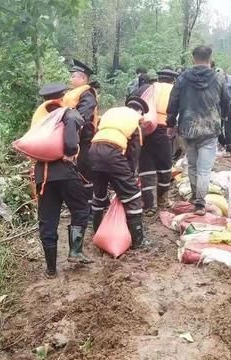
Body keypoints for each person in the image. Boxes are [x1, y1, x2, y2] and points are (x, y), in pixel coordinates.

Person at [31, 83, 92, 278]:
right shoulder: (66, 112)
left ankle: (50, 269)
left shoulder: (39, 118)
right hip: (64, 172)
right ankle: (75, 251)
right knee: (81, 208)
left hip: (43, 175)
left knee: (48, 221)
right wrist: (71, 151)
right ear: (62, 96)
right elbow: (73, 134)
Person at [166, 45, 230, 216]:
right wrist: (222, 118)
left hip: (187, 128)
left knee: (193, 165)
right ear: (210, 58)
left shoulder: (183, 78)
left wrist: (171, 124)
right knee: (204, 169)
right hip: (209, 128)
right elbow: (226, 101)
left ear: (193, 58)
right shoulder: (218, 78)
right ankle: (200, 204)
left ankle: (195, 197)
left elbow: (173, 102)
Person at [90, 96, 149, 248]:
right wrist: (129, 178)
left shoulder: (111, 113)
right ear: (140, 112)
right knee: (133, 196)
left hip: (94, 150)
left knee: (99, 193)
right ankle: (139, 241)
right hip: (112, 153)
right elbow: (133, 153)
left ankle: (96, 231)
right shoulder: (135, 122)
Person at [135, 68, 178, 215]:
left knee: (146, 165)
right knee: (164, 165)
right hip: (164, 129)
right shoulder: (175, 89)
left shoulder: (149, 89)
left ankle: (149, 205)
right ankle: (162, 199)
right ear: (173, 79)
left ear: (158, 78)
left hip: (145, 130)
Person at [63, 59, 99, 205]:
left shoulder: (87, 94)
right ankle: (84, 203)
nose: (71, 79)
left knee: (85, 171)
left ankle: (91, 206)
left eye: (74, 76)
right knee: (78, 171)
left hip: (85, 140)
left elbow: (82, 115)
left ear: (83, 78)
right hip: (74, 138)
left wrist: (73, 124)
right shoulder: (73, 94)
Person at [212, 61, 231, 156]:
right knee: (217, 128)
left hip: (230, 106)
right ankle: (223, 143)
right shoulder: (215, 81)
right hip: (218, 107)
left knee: (229, 128)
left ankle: (229, 149)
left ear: (225, 74)